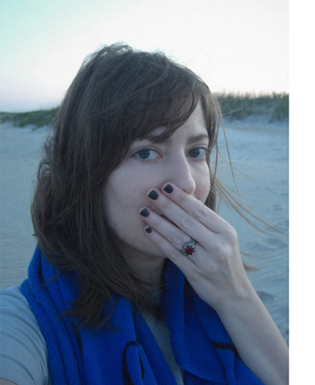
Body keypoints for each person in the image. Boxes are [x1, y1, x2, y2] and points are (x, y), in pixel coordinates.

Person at [0, 43, 288, 385]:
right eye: (147, 152)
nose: (187, 183)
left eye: (196, 151)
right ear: (84, 172)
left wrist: (237, 295)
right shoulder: (22, 322)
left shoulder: (218, 298)